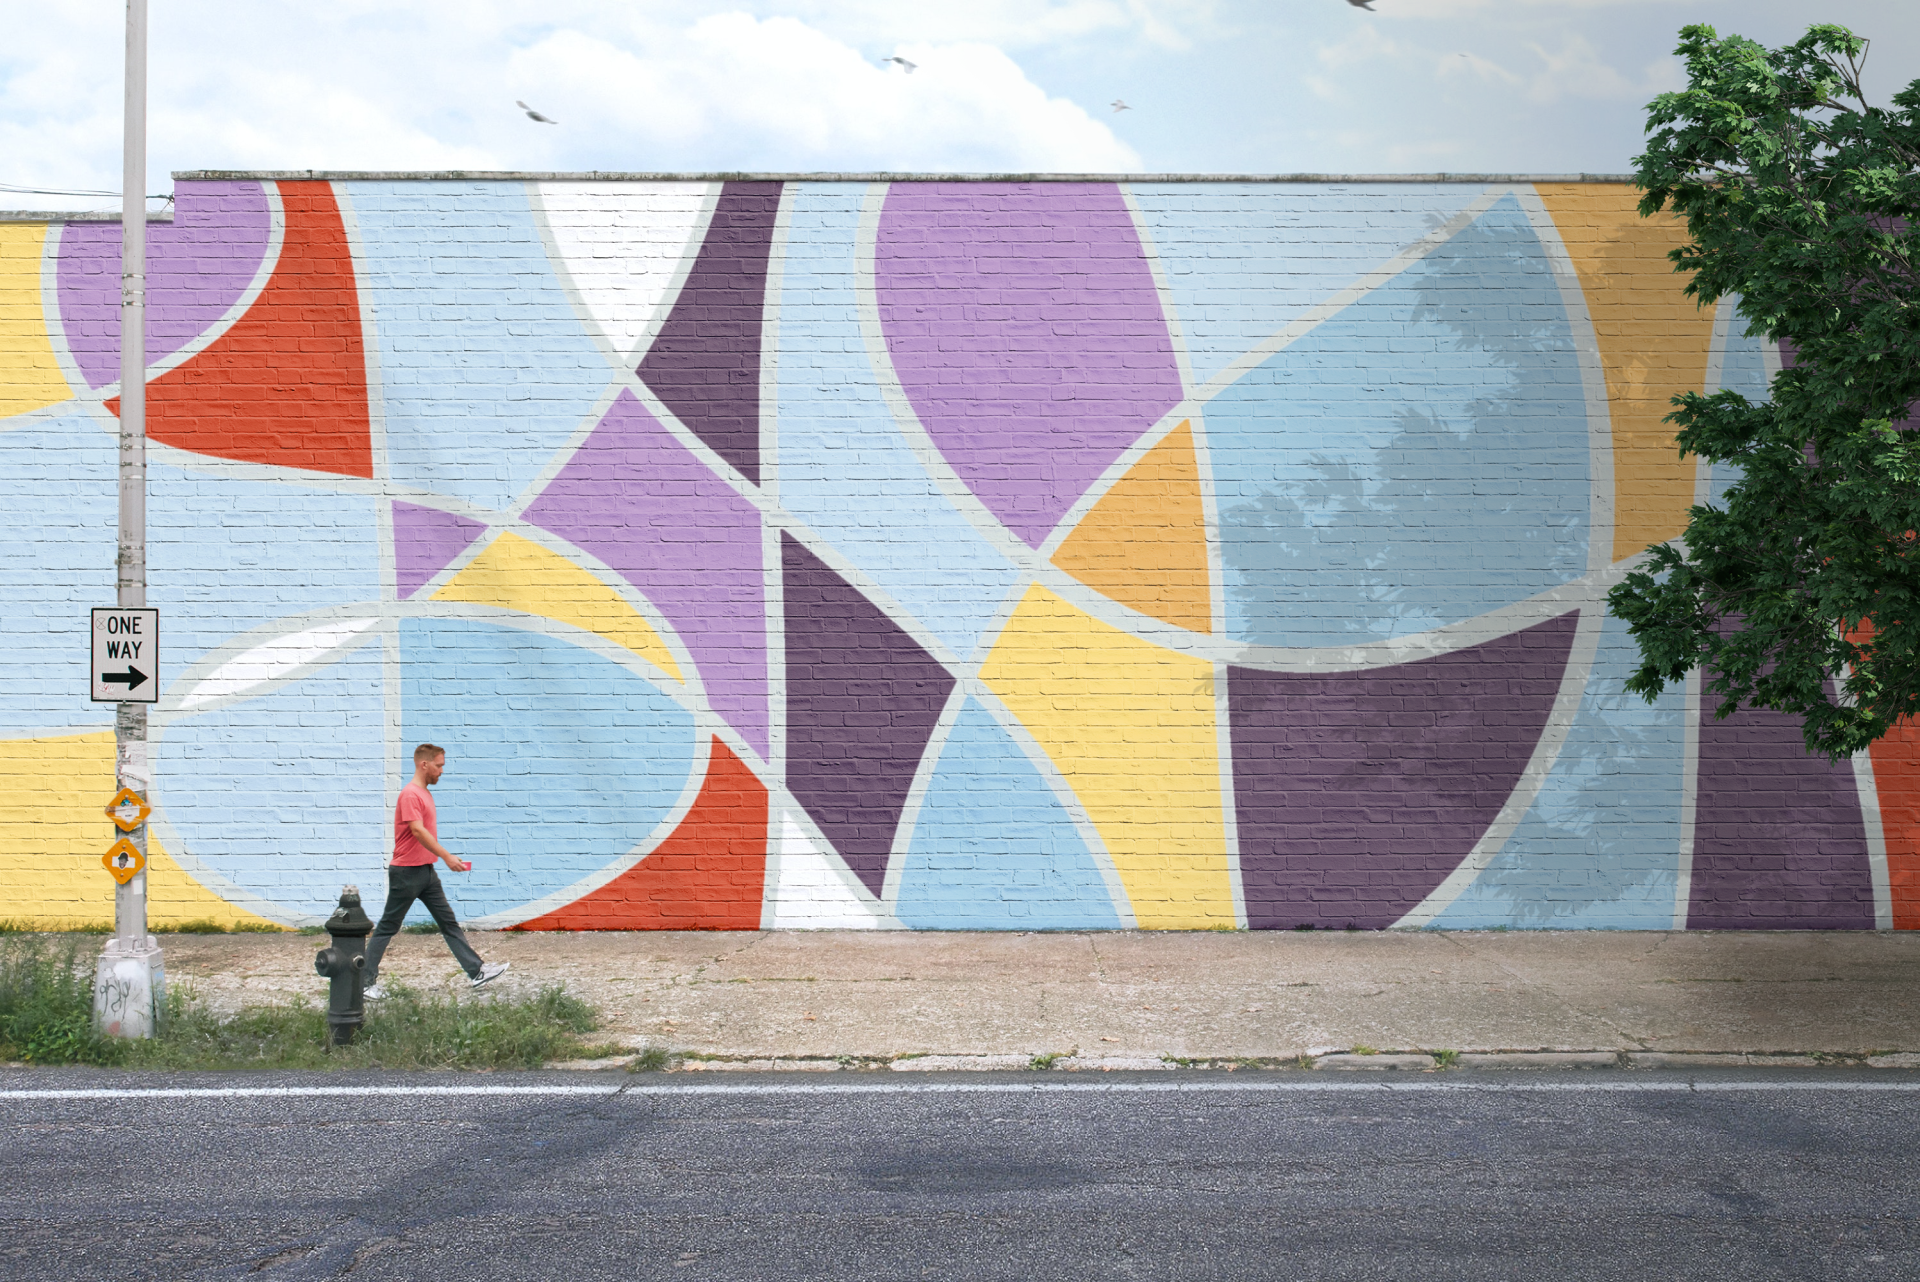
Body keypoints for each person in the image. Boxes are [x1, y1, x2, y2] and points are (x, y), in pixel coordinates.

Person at [362, 743, 509, 999]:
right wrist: (447, 856)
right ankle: (363, 983)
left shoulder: (424, 793)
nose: (442, 770)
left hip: (426, 872)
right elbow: (417, 830)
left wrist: (440, 859)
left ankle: (477, 972)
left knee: (448, 922)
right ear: (424, 764)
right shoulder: (411, 794)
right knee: (387, 926)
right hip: (406, 873)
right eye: (439, 765)